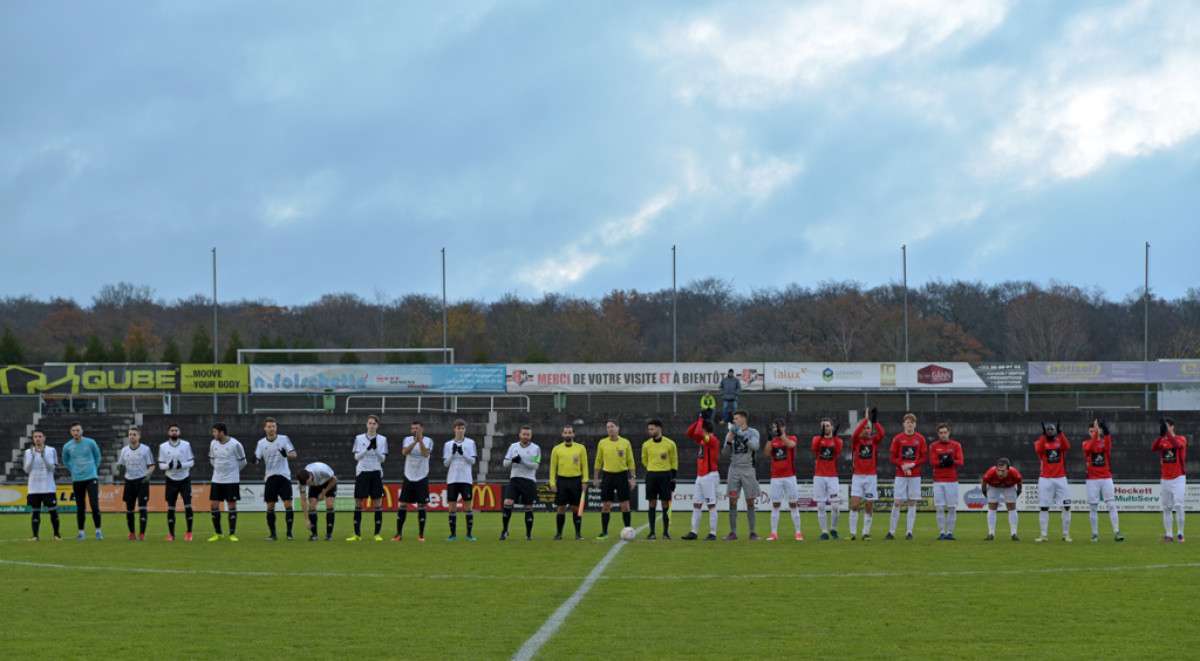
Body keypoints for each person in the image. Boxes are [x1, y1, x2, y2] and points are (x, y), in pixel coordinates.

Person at [254, 417, 298, 541]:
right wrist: (255, 460)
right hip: (270, 478)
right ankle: (273, 535)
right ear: (265, 428)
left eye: (273, 426)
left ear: (276, 427)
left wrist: (286, 454)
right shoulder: (261, 443)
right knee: (270, 506)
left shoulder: (283, 439)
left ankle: (289, 534)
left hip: (284, 476)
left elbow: (294, 453)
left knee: (288, 504)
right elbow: (257, 458)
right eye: (269, 426)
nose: (271, 428)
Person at [592, 420, 636, 540]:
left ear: (618, 428)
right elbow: (598, 461)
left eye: (612, 426)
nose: (610, 429)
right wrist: (595, 478)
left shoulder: (625, 442)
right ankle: (604, 532)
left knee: (625, 505)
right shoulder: (602, 443)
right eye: (608, 427)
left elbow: (630, 461)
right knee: (606, 505)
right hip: (607, 476)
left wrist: (632, 478)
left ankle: (628, 530)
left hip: (622, 475)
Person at [886, 413, 926, 540]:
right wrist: (903, 465)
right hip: (900, 475)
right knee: (897, 502)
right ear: (904, 424)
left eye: (912, 422)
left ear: (915, 424)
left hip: (915, 476)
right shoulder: (898, 439)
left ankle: (909, 532)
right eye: (908, 422)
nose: (910, 424)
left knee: (912, 502)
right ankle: (891, 532)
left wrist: (912, 465)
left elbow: (924, 457)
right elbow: (892, 457)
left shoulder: (920, 439)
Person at [723, 410, 762, 541]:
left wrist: (742, 437)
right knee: (732, 500)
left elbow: (755, 446)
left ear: (743, 420)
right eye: (733, 419)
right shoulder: (730, 433)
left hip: (748, 469)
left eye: (736, 418)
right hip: (734, 469)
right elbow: (724, 453)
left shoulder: (753, 432)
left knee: (750, 500)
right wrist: (729, 440)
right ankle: (733, 532)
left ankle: (752, 532)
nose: (734, 421)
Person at [1082, 418, 1123, 542]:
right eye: (1090, 431)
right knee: (1093, 506)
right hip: (1092, 479)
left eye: (1094, 430)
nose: (1093, 433)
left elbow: (1108, 446)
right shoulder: (1085, 444)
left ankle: (1116, 532)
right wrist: (1096, 434)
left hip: (1106, 477)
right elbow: (1091, 448)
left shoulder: (1104, 442)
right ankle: (1095, 534)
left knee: (1111, 504)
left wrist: (1107, 432)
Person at [681, 414, 721, 541]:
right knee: (697, 504)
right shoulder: (703, 440)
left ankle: (713, 533)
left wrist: (701, 420)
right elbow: (689, 433)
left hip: (709, 477)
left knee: (711, 504)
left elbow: (697, 432)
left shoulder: (712, 439)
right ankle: (693, 532)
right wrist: (697, 420)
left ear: (704, 429)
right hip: (701, 477)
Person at [62, 421, 103, 540]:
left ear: (82, 431)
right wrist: (73, 470)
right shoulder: (67, 446)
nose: (76, 432)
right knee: (80, 507)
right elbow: (65, 460)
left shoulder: (90, 443)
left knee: (94, 505)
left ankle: (98, 531)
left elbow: (98, 456)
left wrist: (93, 469)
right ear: (71, 432)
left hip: (91, 478)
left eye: (78, 430)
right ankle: (81, 533)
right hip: (77, 479)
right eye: (73, 431)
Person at [349, 414, 387, 541]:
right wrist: (366, 449)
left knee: (377, 503)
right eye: (370, 423)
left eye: (374, 423)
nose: (371, 426)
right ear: (366, 424)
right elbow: (356, 457)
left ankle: (377, 534)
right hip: (362, 472)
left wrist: (375, 450)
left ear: (377, 426)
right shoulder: (359, 438)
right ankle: (357, 534)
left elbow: (382, 459)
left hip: (375, 472)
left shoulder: (382, 439)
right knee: (359, 503)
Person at [394, 421, 433, 542]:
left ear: (422, 429)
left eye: (416, 428)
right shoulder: (407, 440)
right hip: (409, 476)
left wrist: (420, 440)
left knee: (421, 505)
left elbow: (426, 454)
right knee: (403, 504)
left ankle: (421, 534)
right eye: (412, 428)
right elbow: (404, 452)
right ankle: (398, 534)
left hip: (422, 476)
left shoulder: (428, 441)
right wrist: (415, 441)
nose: (414, 430)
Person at [501, 425, 542, 540]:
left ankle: (528, 534)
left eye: (528, 434)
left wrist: (522, 461)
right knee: (507, 502)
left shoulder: (536, 448)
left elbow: (536, 465)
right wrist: (512, 461)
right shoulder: (513, 447)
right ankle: (505, 530)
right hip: (515, 479)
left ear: (531, 436)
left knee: (528, 506)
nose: (525, 436)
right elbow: (505, 463)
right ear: (520, 434)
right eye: (524, 434)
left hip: (528, 480)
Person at [208, 422, 247, 542]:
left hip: (231, 480)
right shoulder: (213, 443)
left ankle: (232, 533)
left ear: (221, 432)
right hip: (217, 480)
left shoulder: (235, 444)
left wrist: (233, 471)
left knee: (231, 505)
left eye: (215, 431)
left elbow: (243, 462)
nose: (213, 434)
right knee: (214, 505)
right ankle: (218, 533)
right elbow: (212, 459)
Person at [849, 408, 883, 540]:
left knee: (869, 504)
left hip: (871, 477)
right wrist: (865, 419)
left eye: (869, 428)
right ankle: (853, 533)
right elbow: (855, 433)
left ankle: (866, 532)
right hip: (857, 476)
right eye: (865, 428)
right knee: (855, 504)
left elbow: (882, 434)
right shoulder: (856, 440)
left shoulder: (874, 440)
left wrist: (875, 421)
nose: (867, 430)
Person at [157, 423, 196, 541]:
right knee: (171, 507)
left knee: (188, 505)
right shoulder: (163, 446)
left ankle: (189, 532)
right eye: (172, 430)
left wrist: (182, 465)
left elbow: (191, 462)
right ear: (169, 432)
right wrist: (167, 466)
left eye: (176, 430)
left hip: (184, 479)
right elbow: (160, 465)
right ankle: (171, 534)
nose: (174, 432)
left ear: (179, 432)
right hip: (170, 480)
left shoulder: (186, 445)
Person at [641, 419, 679, 540]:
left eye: (651, 429)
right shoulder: (646, 445)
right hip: (651, 475)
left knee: (665, 503)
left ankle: (665, 533)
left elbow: (674, 461)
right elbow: (644, 460)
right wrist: (653, 468)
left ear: (659, 429)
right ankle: (652, 533)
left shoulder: (670, 444)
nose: (649, 431)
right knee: (652, 503)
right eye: (649, 429)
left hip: (665, 476)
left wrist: (673, 478)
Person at [1035, 421, 1072, 542]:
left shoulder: (1060, 442)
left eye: (1052, 429)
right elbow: (1039, 449)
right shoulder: (1040, 442)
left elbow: (1067, 446)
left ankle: (1065, 534)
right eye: (1048, 429)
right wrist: (1043, 435)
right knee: (1044, 507)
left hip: (1061, 478)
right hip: (1045, 478)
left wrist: (1061, 432)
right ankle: (1043, 535)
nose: (1050, 431)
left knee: (1066, 506)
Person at [549, 424, 588, 540]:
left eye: (570, 432)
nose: (567, 434)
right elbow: (553, 467)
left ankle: (578, 533)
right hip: (562, 480)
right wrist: (552, 483)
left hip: (576, 480)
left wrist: (585, 480)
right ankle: (559, 533)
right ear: (562, 434)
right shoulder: (556, 449)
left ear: (573, 434)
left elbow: (585, 466)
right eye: (565, 432)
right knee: (561, 508)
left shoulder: (580, 448)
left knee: (576, 508)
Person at [1152, 417, 1187, 542]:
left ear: (1172, 427)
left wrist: (1166, 433)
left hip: (1178, 478)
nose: (1165, 428)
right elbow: (1153, 448)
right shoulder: (1162, 441)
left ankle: (1180, 534)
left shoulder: (1181, 439)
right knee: (1166, 508)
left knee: (1178, 505)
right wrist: (1160, 435)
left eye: (1167, 426)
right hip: (1165, 479)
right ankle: (1168, 535)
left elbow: (1176, 445)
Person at [766, 419, 802, 541]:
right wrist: (769, 439)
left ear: (784, 427)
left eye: (777, 427)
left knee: (793, 504)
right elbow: (766, 452)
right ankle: (773, 533)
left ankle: (798, 532)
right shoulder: (773, 441)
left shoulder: (792, 438)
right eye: (773, 427)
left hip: (789, 476)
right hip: (775, 478)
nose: (775, 429)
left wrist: (782, 436)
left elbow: (791, 445)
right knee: (776, 504)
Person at [443, 419, 478, 541]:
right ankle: (453, 534)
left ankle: (469, 534)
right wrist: (452, 454)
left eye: (462, 428)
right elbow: (446, 464)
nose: (460, 430)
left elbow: (473, 461)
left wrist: (463, 454)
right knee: (452, 507)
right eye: (458, 428)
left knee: (468, 506)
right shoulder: (448, 445)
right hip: (452, 479)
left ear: (465, 430)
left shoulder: (470, 443)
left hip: (466, 479)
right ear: (454, 429)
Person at [117, 427, 155, 540]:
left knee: (142, 508)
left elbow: (152, 465)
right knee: (129, 509)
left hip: (142, 481)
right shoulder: (124, 450)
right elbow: (120, 464)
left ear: (139, 436)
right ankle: (132, 533)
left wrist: (148, 475)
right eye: (130, 434)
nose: (132, 436)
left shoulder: (145, 449)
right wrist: (119, 467)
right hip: (129, 481)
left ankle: (142, 533)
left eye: (134, 434)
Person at [24, 429, 61, 541]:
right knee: (35, 512)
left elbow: (52, 468)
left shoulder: (51, 450)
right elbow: (26, 469)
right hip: (34, 487)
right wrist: (33, 456)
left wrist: (43, 456)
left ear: (44, 438)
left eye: (40, 436)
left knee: (53, 511)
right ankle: (35, 536)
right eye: (35, 436)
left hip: (48, 487)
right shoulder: (28, 452)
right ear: (33, 438)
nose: (38, 438)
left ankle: (56, 534)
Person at [929, 423, 964, 541]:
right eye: (941, 433)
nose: (943, 435)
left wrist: (952, 462)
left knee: (952, 508)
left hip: (952, 481)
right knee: (939, 507)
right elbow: (933, 462)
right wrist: (944, 462)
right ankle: (942, 532)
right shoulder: (934, 446)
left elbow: (960, 461)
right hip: (938, 481)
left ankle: (950, 532)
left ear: (949, 432)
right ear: (938, 434)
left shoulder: (956, 445)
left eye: (945, 432)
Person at [812, 418, 844, 540]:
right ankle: (824, 532)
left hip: (832, 477)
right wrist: (821, 436)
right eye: (823, 426)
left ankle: (833, 529)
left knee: (835, 506)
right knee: (820, 506)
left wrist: (834, 437)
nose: (825, 428)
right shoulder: (817, 439)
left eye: (827, 426)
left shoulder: (837, 440)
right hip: (819, 476)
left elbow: (839, 449)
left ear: (832, 427)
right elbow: (814, 448)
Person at [981, 458, 1023, 541]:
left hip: (1009, 487)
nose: (1000, 473)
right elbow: (984, 485)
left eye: (1003, 471)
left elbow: (1019, 485)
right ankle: (991, 534)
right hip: (993, 487)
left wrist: (1018, 492)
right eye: (998, 470)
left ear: (1008, 469)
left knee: (1011, 507)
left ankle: (1014, 534)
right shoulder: (990, 473)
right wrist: (986, 494)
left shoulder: (1015, 474)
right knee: (992, 506)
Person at [296, 462, 338, 541]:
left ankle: (329, 535)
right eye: (306, 484)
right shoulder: (302, 481)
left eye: (308, 482)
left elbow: (335, 480)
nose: (307, 485)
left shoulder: (321, 471)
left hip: (328, 482)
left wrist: (323, 493)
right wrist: (307, 519)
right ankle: (314, 535)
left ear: (310, 476)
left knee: (330, 505)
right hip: (315, 485)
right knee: (311, 506)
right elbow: (303, 501)